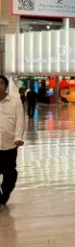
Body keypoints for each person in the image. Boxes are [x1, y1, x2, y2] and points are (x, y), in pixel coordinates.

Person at [0, 75, 25, 210]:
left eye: (1, 83)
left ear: (5, 85)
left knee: (9, 174)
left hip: (9, 144)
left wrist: (18, 137)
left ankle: (5, 194)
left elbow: (20, 120)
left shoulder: (15, 101)